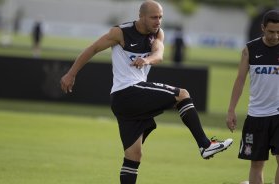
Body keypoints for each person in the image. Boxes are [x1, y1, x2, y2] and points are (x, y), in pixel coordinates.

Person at [60, 1, 233, 183]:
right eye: (154, 17)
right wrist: (71, 73)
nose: (158, 21)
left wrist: (147, 60)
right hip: (127, 92)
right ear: (141, 16)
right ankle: (205, 145)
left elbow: (159, 55)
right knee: (182, 94)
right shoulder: (120, 32)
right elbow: (93, 48)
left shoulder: (158, 33)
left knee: (133, 156)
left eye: (160, 17)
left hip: (126, 101)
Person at [226, 10, 279, 184]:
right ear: (263, 28)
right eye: (271, 31)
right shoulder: (250, 49)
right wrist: (231, 110)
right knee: (257, 164)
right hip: (257, 115)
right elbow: (240, 80)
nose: (275, 36)